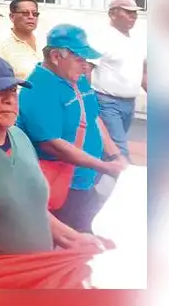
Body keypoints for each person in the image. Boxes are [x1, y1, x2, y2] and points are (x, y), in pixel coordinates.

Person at [0, 53, 106, 257]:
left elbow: (32, 209)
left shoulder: (19, 137)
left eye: (13, 90)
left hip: (38, 277)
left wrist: (74, 239)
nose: (9, 100)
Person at [17, 24, 126, 234]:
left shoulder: (77, 79)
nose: (85, 66)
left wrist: (113, 155)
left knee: (88, 229)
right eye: (80, 59)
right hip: (61, 186)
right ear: (57, 57)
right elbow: (52, 144)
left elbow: (94, 118)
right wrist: (102, 166)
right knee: (66, 240)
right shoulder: (38, 88)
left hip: (86, 179)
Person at [91, 0, 147, 160]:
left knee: (107, 149)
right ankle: (120, 182)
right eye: (128, 12)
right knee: (119, 152)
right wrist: (86, 98)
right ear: (112, 14)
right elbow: (87, 68)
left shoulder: (136, 40)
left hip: (129, 104)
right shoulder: (102, 37)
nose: (133, 16)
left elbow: (144, 72)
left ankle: (96, 181)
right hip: (107, 102)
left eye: (135, 13)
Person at [0, 0, 41, 81]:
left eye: (35, 14)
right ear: (12, 17)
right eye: (25, 13)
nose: (31, 17)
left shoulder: (45, 41)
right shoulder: (2, 46)